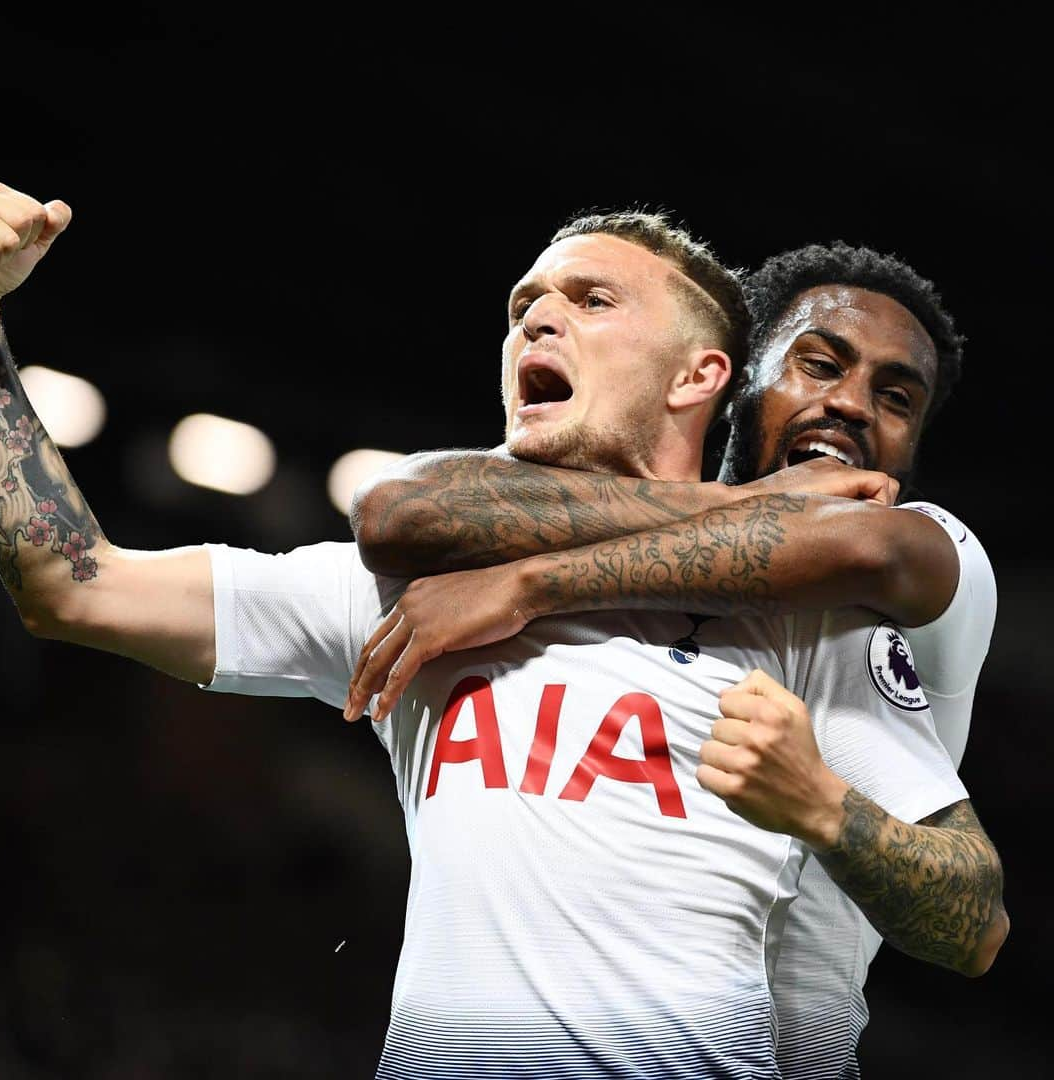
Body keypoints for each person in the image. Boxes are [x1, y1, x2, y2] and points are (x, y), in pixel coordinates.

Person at [0, 182, 1003, 1079]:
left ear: (700, 376)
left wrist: (823, 805)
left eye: (591, 301)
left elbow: (972, 913)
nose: (537, 322)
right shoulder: (409, 596)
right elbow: (73, 586)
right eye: (524, 307)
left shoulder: (803, 627)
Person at [344, 237, 1005, 1074]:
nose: (851, 406)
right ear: (733, 382)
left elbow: (978, 922)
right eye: (818, 365)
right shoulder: (686, 557)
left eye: (896, 397)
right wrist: (738, 502)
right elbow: (400, 512)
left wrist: (526, 584)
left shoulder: (905, 573)